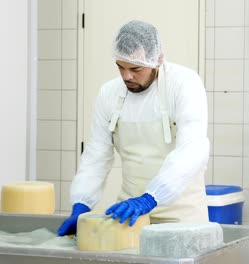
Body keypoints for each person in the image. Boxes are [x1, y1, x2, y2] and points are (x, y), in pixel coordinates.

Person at [57, 20, 210, 236]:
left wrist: (151, 197)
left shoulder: (183, 84)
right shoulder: (109, 94)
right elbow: (97, 154)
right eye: (121, 67)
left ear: (157, 60)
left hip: (182, 217)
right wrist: (81, 203)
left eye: (135, 68)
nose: (127, 76)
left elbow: (192, 149)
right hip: (130, 215)